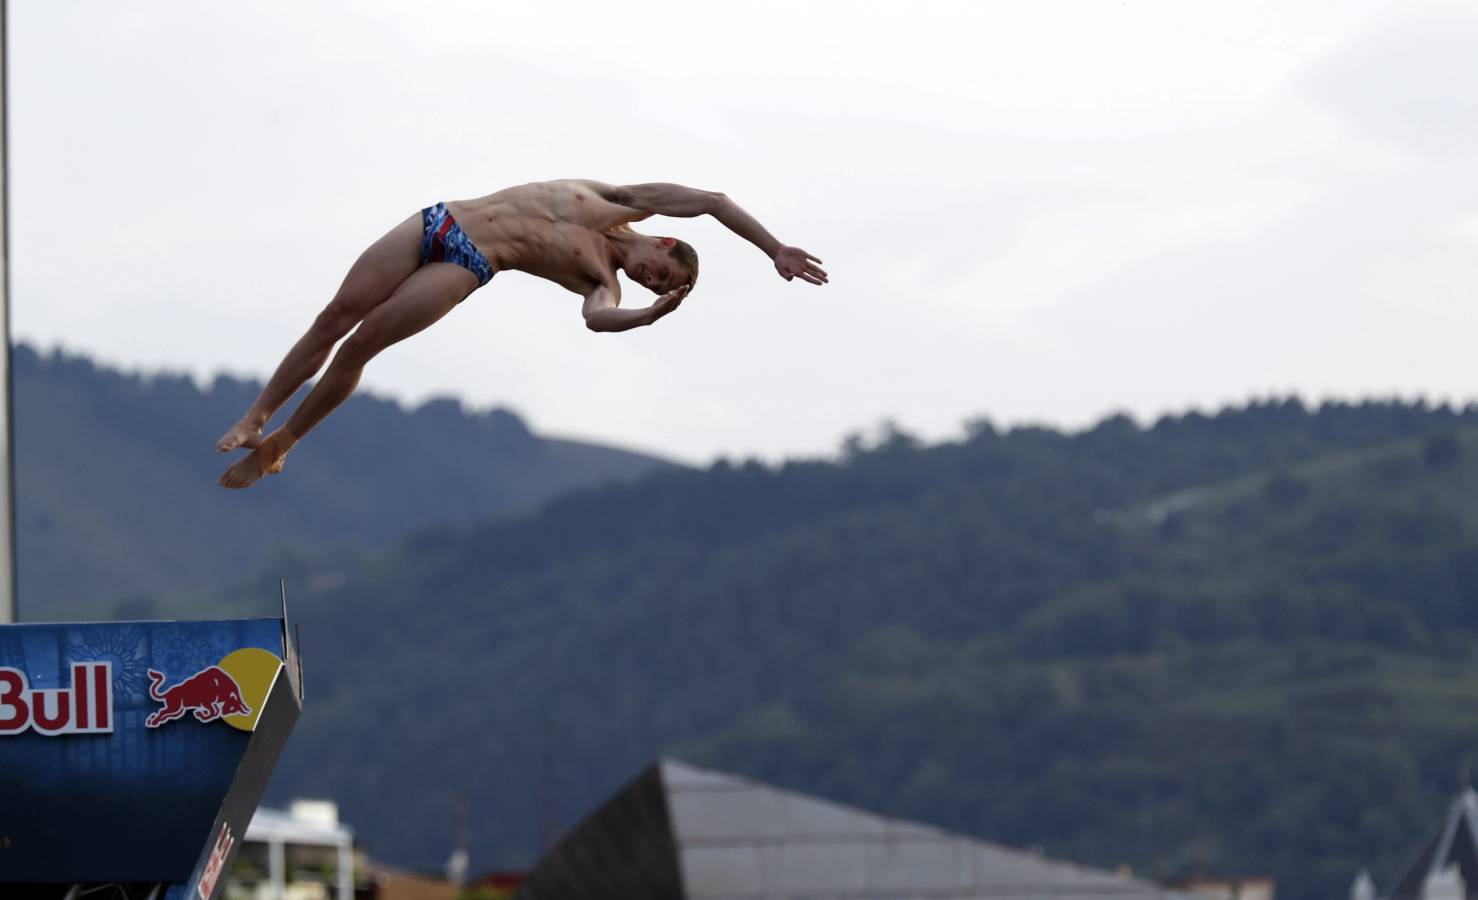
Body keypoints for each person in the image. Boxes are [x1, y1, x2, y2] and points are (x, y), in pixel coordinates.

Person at [216, 179, 828, 489]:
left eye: (652, 284)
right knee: (335, 315)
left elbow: (596, 317)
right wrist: (773, 247)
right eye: (658, 270)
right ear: (661, 240)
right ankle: (256, 417)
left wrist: (645, 315)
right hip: (441, 220)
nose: (645, 277)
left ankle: (282, 444)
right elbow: (712, 201)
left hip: (469, 262)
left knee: (361, 344)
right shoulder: (619, 201)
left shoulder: (602, 279)